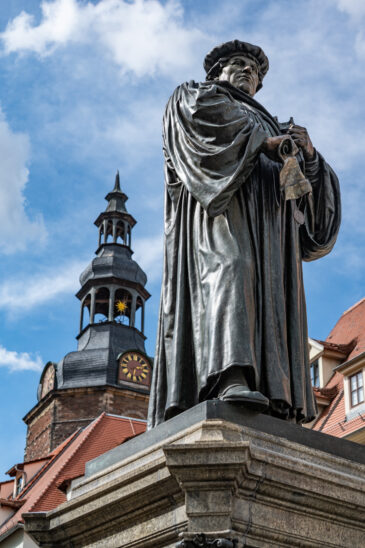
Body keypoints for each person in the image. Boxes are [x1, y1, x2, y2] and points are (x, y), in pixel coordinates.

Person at [147, 40, 341, 428]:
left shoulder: (272, 123)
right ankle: (229, 377)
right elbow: (202, 130)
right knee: (232, 270)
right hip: (221, 216)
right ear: (216, 71)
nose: (249, 72)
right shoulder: (193, 96)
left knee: (272, 297)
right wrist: (259, 143)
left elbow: (315, 226)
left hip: (273, 234)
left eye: (255, 71)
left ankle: (274, 395)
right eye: (238, 64)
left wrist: (310, 158)